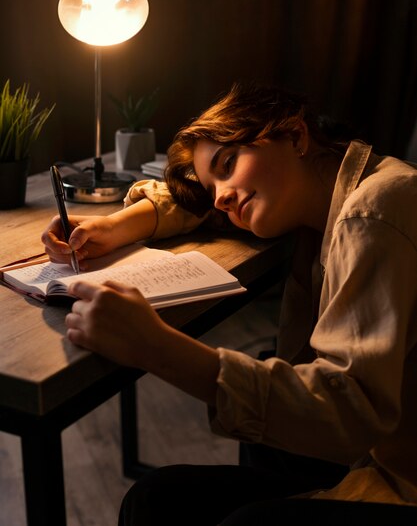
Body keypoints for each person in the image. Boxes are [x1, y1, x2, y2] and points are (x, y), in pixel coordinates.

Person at [41, 82, 417, 525]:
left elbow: (352, 412)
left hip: (397, 478)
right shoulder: (321, 195)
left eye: (228, 163)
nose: (220, 195)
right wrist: (120, 225)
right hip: (370, 456)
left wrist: (155, 346)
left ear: (296, 136)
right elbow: (199, 203)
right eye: (213, 185)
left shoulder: (371, 212)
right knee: (152, 499)